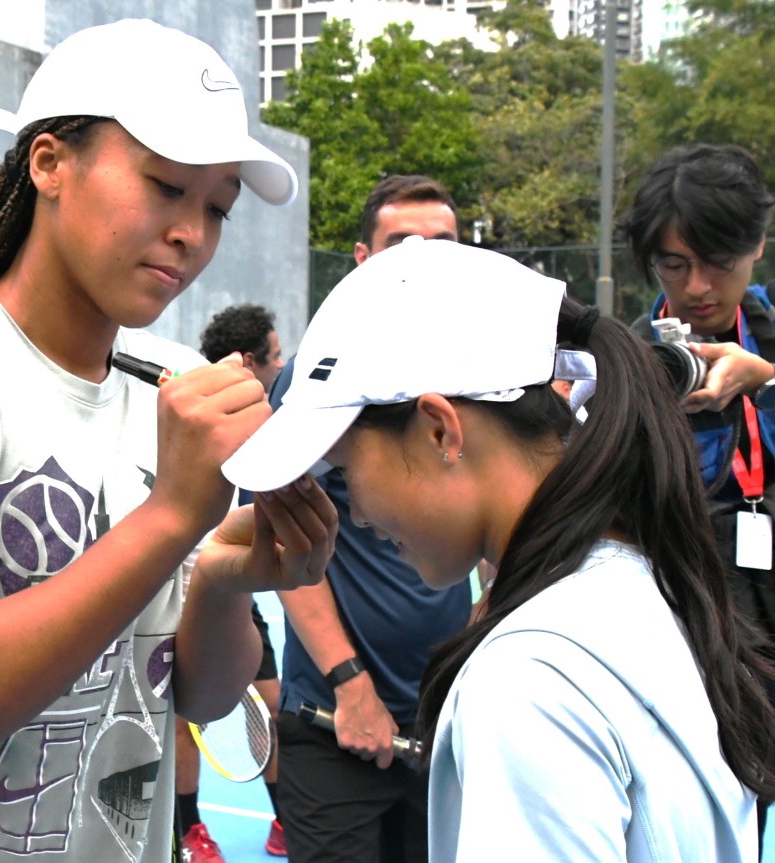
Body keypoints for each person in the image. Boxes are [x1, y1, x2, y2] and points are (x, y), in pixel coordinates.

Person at [0, 19, 338, 863]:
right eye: (164, 186)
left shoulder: (173, 382)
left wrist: (226, 579)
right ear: (48, 163)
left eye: (216, 206)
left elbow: (197, 691)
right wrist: (169, 517)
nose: (193, 232)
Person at [223, 237, 775, 862]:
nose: (359, 513)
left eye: (346, 470)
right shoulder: (646, 583)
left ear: (440, 431)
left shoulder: (527, 678)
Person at [262, 175, 472, 863]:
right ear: (361, 258)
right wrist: (352, 685)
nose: (420, 262)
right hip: (335, 722)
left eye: (439, 245)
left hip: (443, 719)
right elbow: (282, 545)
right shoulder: (318, 378)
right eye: (400, 245)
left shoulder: (480, 371)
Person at [623, 142, 775, 854]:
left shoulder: (770, 340)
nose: (698, 286)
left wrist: (767, 379)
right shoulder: (624, 356)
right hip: (676, 615)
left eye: (718, 261)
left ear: (757, 246)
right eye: (674, 264)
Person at [172, 304, 288, 862]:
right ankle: (190, 831)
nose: (283, 363)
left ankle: (285, 819)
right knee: (181, 722)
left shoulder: (263, 419)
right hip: (175, 590)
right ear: (249, 361)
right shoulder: (192, 410)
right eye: (277, 353)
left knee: (270, 706)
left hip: (232, 587)